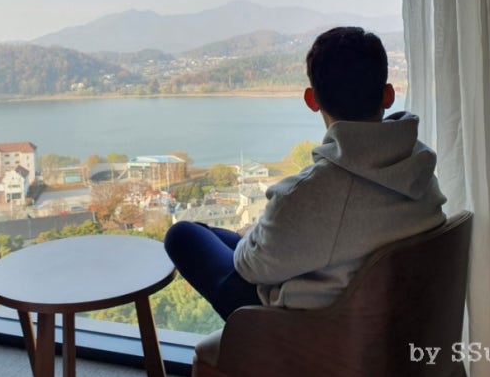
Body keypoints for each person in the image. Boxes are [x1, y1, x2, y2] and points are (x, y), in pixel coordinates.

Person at [164, 26, 446, 320]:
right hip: (378, 313)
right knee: (222, 236)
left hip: (309, 328)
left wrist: (253, 236)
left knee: (183, 235)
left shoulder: (311, 193)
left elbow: (251, 269)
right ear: (388, 95)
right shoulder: (419, 163)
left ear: (312, 100)